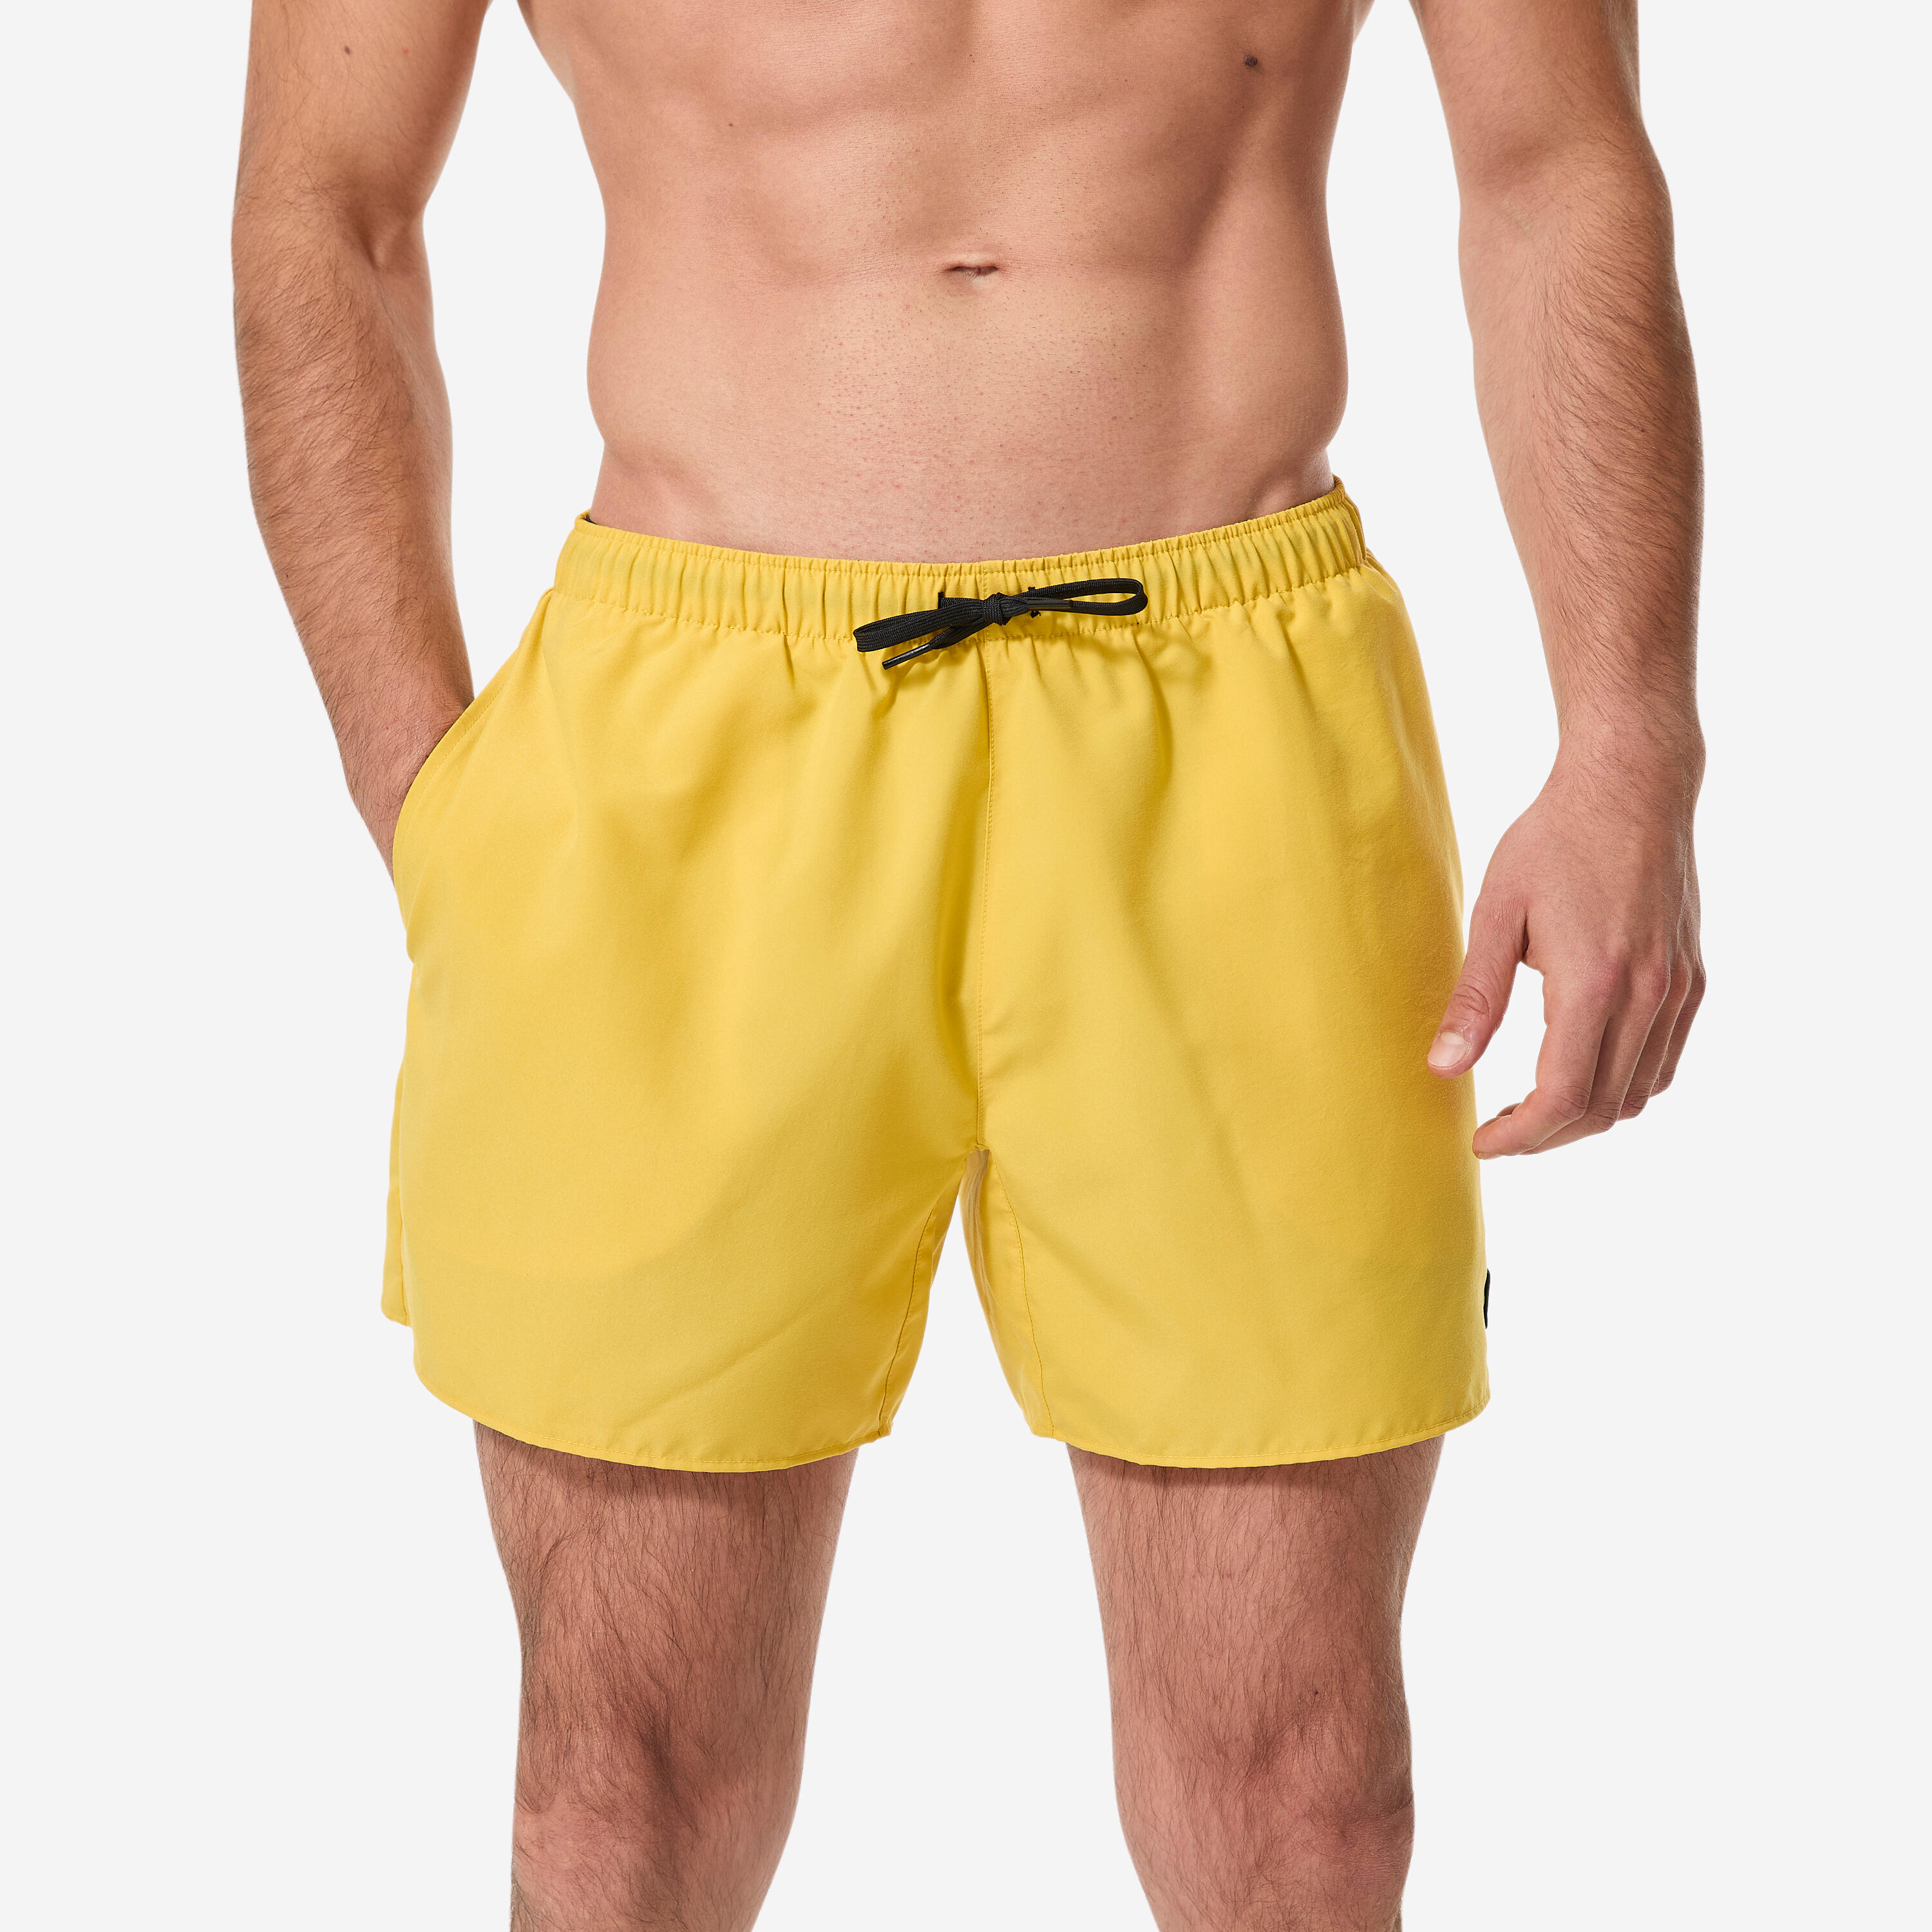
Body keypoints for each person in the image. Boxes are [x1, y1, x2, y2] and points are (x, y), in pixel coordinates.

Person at [233, 0, 1705, 1924]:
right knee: (620, 1788)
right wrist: (421, 790)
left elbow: (1553, 160)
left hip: (1235, 706)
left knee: (1307, 1798)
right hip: (686, 744)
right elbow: (325, 208)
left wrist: (1629, 737)